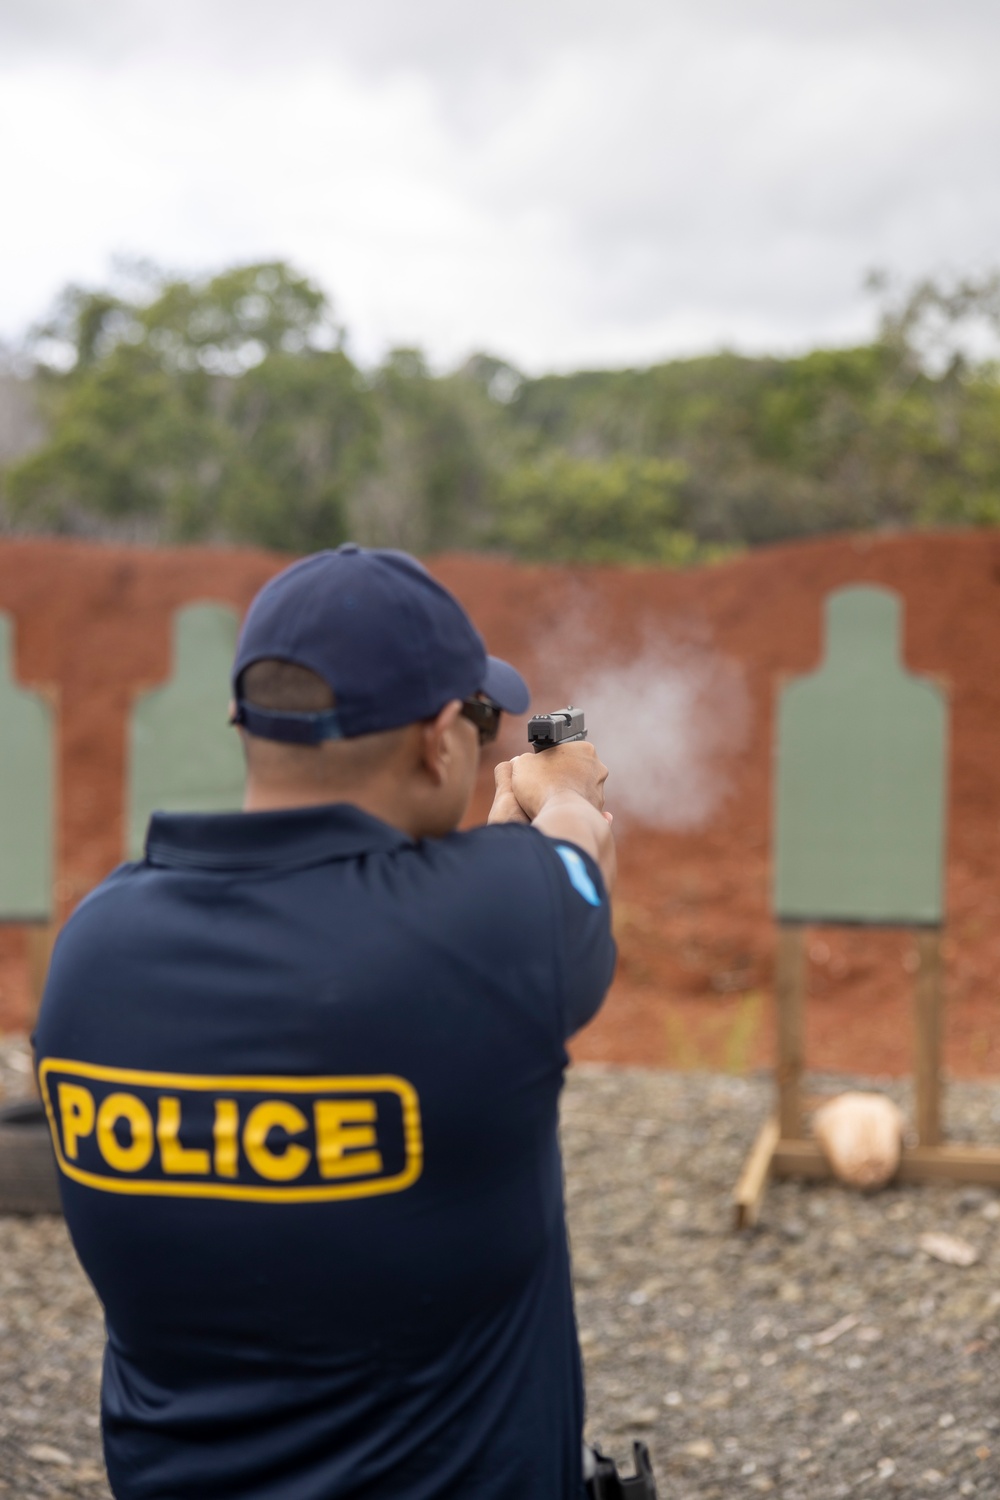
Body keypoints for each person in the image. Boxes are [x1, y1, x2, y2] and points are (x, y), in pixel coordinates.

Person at [34, 544, 616, 1500]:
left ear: (240, 720)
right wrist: (561, 796)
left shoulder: (96, 945)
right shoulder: (504, 926)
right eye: (477, 719)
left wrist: (495, 872)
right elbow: (571, 865)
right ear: (439, 742)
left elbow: (398, 945)